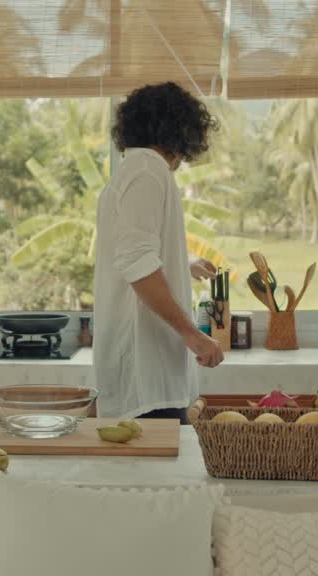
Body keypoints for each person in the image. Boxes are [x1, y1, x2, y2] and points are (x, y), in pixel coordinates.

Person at [93, 82, 225, 422]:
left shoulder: (133, 170)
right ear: (181, 129)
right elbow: (137, 262)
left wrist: (183, 264)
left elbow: (132, 252)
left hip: (143, 373)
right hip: (146, 374)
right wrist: (193, 335)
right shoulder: (148, 171)